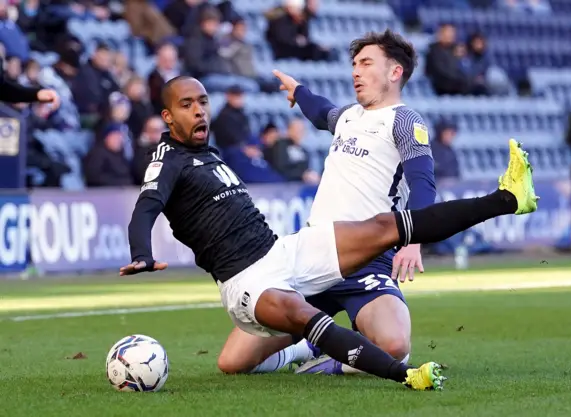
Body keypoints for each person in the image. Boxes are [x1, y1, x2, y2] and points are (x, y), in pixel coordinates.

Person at [122, 75, 539, 392]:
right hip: (247, 283)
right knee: (299, 321)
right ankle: (404, 374)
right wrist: (141, 251)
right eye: (187, 104)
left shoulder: (206, 153)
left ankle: (507, 198)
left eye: (202, 102)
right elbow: (146, 207)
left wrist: (300, 92)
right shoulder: (167, 160)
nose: (199, 111)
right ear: (167, 116)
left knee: (382, 227)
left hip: (285, 252)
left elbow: (321, 112)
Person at [222, 30, 437, 377]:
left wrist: (413, 240)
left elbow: (423, 184)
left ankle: (336, 359)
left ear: (395, 72)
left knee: (395, 347)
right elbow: (322, 112)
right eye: (354, 64)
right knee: (232, 363)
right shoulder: (348, 117)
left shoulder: (404, 121)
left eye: (366, 63)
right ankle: (305, 345)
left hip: (366, 260)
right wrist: (298, 92)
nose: (355, 71)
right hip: (311, 257)